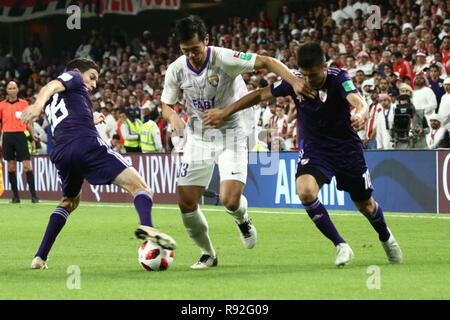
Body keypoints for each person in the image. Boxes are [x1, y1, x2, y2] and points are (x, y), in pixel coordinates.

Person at [204, 41, 403, 267]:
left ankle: (386, 237)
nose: (308, 80)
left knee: (366, 206)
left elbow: (359, 102)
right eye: (305, 75)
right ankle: (341, 245)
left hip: (347, 150)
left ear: (325, 67)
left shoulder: (339, 78)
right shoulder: (295, 82)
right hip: (315, 150)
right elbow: (259, 95)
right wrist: (224, 112)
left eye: (314, 75)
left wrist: (361, 114)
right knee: (305, 192)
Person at [161, 15, 315, 269]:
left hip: (232, 133)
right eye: (185, 51)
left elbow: (266, 61)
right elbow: (165, 104)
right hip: (199, 138)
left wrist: (295, 81)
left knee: (230, 200)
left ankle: (242, 219)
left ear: (206, 41)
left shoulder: (224, 58)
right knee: (186, 202)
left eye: (195, 50)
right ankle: (208, 254)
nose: (191, 56)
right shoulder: (177, 69)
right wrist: (173, 115)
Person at [20, 58, 176, 269]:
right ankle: (148, 229)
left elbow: (66, 118)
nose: (94, 84)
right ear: (77, 72)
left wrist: (88, 117)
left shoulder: (58, 100)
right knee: (141, 188)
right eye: (92, 77)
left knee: (69, 202)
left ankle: (40, 258)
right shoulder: (73, 77)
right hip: (86, 144)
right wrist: (37, 104)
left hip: (62, 153)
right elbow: (51, 85)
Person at [0, 81, 39, 203]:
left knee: (27, 166)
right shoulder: (1, 105)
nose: (12, 90)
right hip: (7, 137)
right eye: (9, 88)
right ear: (7, 90)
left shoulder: (24, 104)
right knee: (11, 167)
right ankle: (16, 197)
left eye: (14, 88)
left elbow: (29, 123)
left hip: (20, 136)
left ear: (17, 90)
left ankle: (34, 197)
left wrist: (32, 139)